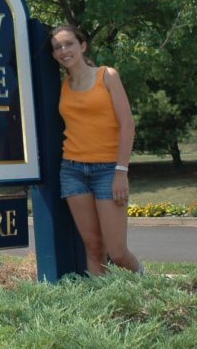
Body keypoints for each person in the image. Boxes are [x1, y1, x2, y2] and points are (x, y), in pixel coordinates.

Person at [50, 24, 142, 276]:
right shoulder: (62, 86)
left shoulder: (106, 76)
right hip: (72, 171)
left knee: (117, 251)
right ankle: (101, 306)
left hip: (108, 171)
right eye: (57, 47)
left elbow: (127, 124)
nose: (63, 50)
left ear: (82, 45)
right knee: (93, 248)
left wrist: (121, 172)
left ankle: (146, 284)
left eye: (68, 44)